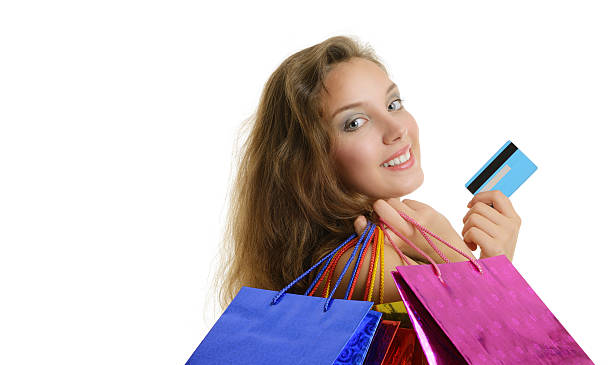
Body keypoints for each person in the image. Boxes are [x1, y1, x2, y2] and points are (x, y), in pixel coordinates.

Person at [213, 35, 521, 309]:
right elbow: (497, 344)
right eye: (355, 122)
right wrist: (483, 259)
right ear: (307, 164)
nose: (398, 128)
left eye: (393, 103)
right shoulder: (358, 265)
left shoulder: (387, 239)